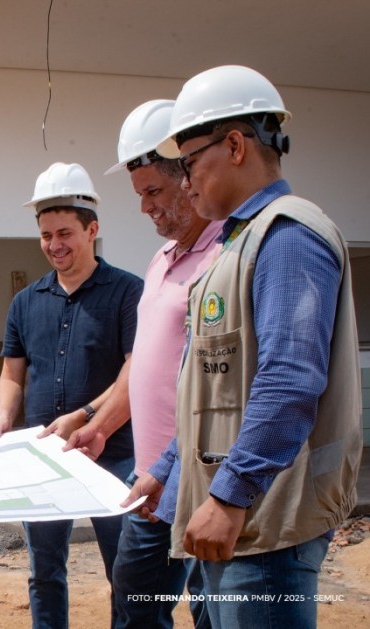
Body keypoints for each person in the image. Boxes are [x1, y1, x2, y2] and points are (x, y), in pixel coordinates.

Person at [125, 65, 362, 628]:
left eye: (189, 164)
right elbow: (213, 395)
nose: (184, 182)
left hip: (265, 526)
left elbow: (289, 380)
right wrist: (166, 468)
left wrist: (229, 497)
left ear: (235, 146)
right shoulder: (239, 243)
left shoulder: (287, 237)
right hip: (239, 523)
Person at [63, 100, 220, 628]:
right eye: (139, 195)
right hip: (148, 487)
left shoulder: (228, 256)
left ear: (190, 177)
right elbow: (145, 365)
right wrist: (99, 424)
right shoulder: (160, 261)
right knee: (136, 609)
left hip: (204, 483)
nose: (145, 207)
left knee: (210, 612)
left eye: (153, 191)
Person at [0, 162, 142, 629]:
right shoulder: (26, 301)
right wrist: (2, 417)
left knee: (126, 570)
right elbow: (11, 374)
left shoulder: (127, 293)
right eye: (46, 234)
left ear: (92, 230)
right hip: (45, 458)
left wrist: (86, 415)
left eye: (65, 233)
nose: (55, 245)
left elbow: (138, 371)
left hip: (113, 454)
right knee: (44, 570)